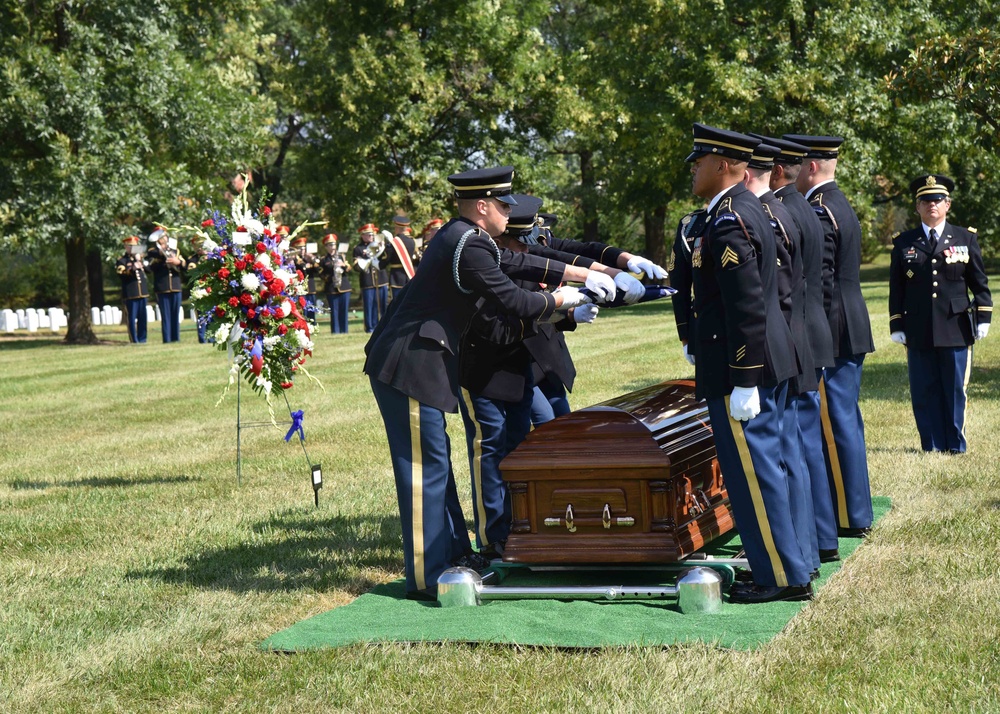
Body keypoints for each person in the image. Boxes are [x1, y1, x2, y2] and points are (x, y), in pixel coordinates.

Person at [364, 165, 615, 601]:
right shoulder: (467, 242)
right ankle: (427, 575)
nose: (508, 212)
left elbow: (522, 260)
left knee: (437, 464)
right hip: (408, 364)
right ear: (482, 207)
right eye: (503, 205)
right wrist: (562, 301)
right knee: (423, 470)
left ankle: (457, 555)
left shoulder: (469, 238)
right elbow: (515, 299)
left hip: (425, 361)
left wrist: (584, 274)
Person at [457, 194, 645, 557]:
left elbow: (560, 258)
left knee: (518, 448)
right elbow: (500, 322)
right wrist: (562, 309)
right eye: (520, 244)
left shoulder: (517, 256)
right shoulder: (485, 264)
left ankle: (523, 522)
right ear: (503, 242)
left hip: (518, 366)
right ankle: (493, 535)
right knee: (491, 451)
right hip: (484, 370)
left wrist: (612, 271)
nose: (528, 251)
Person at [684, 124, 811, 603]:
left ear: (722, 164)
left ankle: (779, 576)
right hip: (762, 359)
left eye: (699, 162)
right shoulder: (744, 208)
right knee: (769, 467)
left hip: (744, 366)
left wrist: (743, 379)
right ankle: (792, 564)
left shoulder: (729, 218)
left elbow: (747, 305)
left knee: (754, 475)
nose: (694, 170)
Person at [785, 133, 875, 538]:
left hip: (834, 325)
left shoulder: (819, 210)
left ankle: (848, 515)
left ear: (811, 167)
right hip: (849, 320)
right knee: (844, 421)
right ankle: (853, 509)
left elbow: (816, 281)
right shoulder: (836, 202)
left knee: (834, 425)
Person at [758, 134, 841, 563]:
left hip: (796, 334)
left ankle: (813, 542)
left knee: (800, 444)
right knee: (806, 443)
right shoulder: (802, 208)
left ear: (774, 169)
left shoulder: (783, 211)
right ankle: (820, 538)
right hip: (809, 331)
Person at [745, 141, 821, 577]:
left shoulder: (765, 216)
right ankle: (804, 555)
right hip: (791, 339)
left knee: (779, 456)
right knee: (790, 451)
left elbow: (771, 293)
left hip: (774, 343)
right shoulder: (783, 210)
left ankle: (790, 562)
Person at [889, 174, 992, 453]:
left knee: (955, 390)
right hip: (919, 327)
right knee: (924, 389)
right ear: (917, 207)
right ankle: (931, 444)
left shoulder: (965, 237)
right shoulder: (903, 243)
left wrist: (983, 317)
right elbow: (896, 288)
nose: (931, 204)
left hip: (956, 326)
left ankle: (956, 444)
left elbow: (979, 283)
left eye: (937, 200)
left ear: (947, 204)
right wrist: (896, 323)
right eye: (925, 200)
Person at [146, 227, 186, 343]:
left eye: (165, 236)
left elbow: (183, 266)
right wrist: (161, 252)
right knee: (166, 315)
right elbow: (150, 265)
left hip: (175, 286)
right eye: (161, 237)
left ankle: (176, 338)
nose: (164, 239)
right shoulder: (153, 251)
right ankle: (167, 339)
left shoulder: (175, 250)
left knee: (175, 314)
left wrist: (178, 262)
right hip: (162, 287)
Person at [354, 223, 389, 332]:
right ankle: (370, 327)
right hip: (368, 280)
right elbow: (356, 266)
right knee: (369, 306)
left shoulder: (379, 245)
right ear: (362, 235)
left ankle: (383, 326)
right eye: (368, 235)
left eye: (372, 234)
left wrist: (383, 248)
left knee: (383, 304)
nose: (371, 236)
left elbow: (386, 259)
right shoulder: (358, 249)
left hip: (381, 279)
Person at [114, 235, 149, 344]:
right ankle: (134, 339)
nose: (134, 248)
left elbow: (149, 270)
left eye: (135, 246)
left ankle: (142, 339)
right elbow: (121, 274)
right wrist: (132, 268)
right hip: (131, 294)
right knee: (132, 318)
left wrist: (141, 262)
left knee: (143, 318)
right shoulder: (122, 261)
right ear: (126, 247)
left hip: (142, 293)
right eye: (131, 246)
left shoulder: (140, 258)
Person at [319, 233, 352, 334]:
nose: (332, 247)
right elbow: (321, 274)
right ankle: (335, 331)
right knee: (334, 312)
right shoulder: (324, 259)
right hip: (331, 288)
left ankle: (344, 331)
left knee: (344, 311)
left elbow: (349, 269)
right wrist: (329, 277)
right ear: (326, 247)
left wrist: (343, 265)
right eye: (330, 245)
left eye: (333, 244)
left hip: (344, 287)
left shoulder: (342, 256)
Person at [383, 215, 418, 301]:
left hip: (396, 277)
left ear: (397, 228)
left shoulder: (394, 243)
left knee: (397, 305)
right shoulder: (412, 241)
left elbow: (386, 259)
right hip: (409, 276)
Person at [290, 233, 319, 325]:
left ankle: (312, 325)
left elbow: (318, 270)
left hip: (310, 288)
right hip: (301, 289)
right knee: (302, 310)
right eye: (300, 248)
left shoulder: (309, 259)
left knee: (311, 310)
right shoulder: (294, 260)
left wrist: (312, 260)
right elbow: (300, 269)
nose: (302, 250)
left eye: (304, 248)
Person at [186, 235, 209, 343]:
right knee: (201, 315)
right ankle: (202, 338)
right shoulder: (192, 259)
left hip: (210, 288)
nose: (201, 248)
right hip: (199, 290)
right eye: (198, 245)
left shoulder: (211, 256)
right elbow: (190, 272)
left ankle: (211, 337)